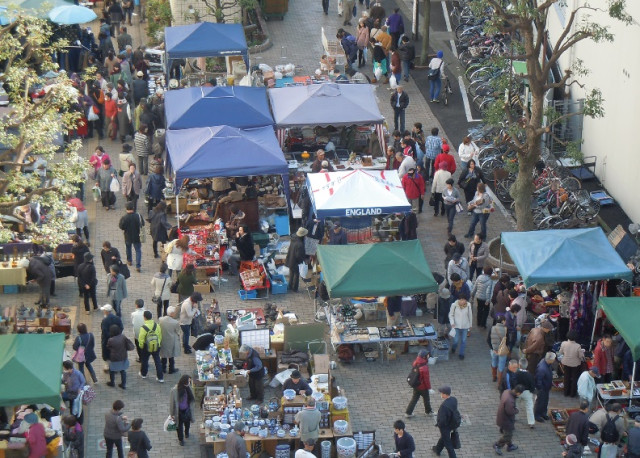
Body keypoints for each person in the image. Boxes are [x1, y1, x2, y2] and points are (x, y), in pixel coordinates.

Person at [494, 384, 523, 455]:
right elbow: (510, 411)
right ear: (518, 393)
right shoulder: (510, 401)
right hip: (506, 420)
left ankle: (510, 445)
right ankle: (497, 445)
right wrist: (516, 410)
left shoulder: (507, 391)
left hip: (502, 417)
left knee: (508, 433)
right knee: (508, 435)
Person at [405, 349, 433, 417]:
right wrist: (429, 388)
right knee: (426, 400)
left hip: (416, 385)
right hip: (423, 387)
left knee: (414, 399)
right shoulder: (424, 367)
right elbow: (426, 380)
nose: (428, 356)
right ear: (424, 357)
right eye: (427, 355)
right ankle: (428, 412)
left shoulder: (416, 362)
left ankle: (408, 413)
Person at [169, 375, 196, 446]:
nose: (189, 383)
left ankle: (186, 432)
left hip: (187, 410)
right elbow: (172, 403)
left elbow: (192, 399)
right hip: (179, 412)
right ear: (184, 382)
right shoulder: (174, 390)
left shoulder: (188, 388)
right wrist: (172, 414)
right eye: (188, 382)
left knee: (187, 423)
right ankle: (181, 439)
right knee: (179, 427)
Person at [138, 310, 164, 382]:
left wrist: (141, 346)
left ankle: (144, 374)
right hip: (156, 345)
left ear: (144, 317)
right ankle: (160, 377)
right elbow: (160, 336)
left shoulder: (143, 327)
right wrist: (158, 343)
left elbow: (141, 338)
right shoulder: (157, 325)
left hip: (146, 347)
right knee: (157, 360)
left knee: (145, 360)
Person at [433, 386, 458, 458]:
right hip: (452, 423)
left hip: (445, 426)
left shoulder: (444, 406)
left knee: (448, 443)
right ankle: (438, 449)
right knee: (444, 437)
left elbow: (442, 420)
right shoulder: (454, 399)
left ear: (445, 394)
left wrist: (439, 424)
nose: (441, 394)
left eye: (441, 393)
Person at [558, 330, 585, 398]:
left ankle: (566, 392)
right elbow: (580, 356)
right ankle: (572, 393)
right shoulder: (578, 346)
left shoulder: (563, 343)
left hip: (566, 362)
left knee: (566, 377)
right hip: (575, 364)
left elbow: (560, 352)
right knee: (574, 378)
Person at [118, 202, 144, 272]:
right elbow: (142, 224)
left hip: (128, 236)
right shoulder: (138, 216)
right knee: (138, 250)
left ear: (126, 209)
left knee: (128, 248)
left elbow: (121, 227)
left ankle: (129, 260)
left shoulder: (124, 217)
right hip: (137, 236)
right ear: (133, 208)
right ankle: (138, 266)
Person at [449, 293, 473, 360]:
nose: (462, 301)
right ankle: (454, 347)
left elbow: (470, 315)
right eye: (461, 300)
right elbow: (451, 315)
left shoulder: (468, 305)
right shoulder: (454, 305)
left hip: (465, 326)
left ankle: (461, 354)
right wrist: (452, 323)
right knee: (456, 340)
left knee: (464, 340)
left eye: (464, 300)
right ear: (458, 300)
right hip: (456, 326)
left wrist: (470, 325)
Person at [106, 324, 131, 389]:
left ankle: (112, 382)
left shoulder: (111, 340)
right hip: (123, 356)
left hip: (115, 358)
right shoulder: (123, 337)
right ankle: (123, 384)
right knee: (123, 371)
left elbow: (108, 347)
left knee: (112, 370)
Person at [534, 352, 556, 422]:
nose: (554, 360)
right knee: (540, 402)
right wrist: (540, 388)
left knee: (545, 401)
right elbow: (538, 379)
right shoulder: (542, 368)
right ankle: (537, 415)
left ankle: (543, 413)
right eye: (553, 359)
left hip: (546, 387)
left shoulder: (547, 364)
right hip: (542, 388)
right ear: (550, 359)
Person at [159, 305, 181, 375]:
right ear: (172, 314)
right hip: (171, 340)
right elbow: (177, 332)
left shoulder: (161, 319)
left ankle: (163, 368)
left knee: (163, 355)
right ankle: (171, 369)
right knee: (171, 356)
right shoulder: (175, 322)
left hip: (163, 339)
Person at [514, 359, 536, 429]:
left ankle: (514, 417)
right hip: (527, 392)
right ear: (527, 366)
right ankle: (531, 422)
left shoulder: (516, 373)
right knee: (529, 407)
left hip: (517, 391)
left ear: (519, 365)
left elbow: (513, 382)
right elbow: (532, 385)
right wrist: (532, 392)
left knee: (516, 405)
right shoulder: (529, 375)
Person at [286, 227, 307, 292]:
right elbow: (299, 255)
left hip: (289, 258)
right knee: (296, 274)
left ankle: (290, 286)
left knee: (291, 273)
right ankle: (295, 288)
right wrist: (301, 261)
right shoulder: (300, 244)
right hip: (294, 261)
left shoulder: (293, 238)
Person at [489, 316, 508, 384]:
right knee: (501, 366)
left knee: (494, 363)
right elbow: (507, 341)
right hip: (502, 351)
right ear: (503, 321)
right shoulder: (505, 329)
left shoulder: (492, 328)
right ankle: (499, 383)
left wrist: (493, 348)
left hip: (494, 350)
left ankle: (494, 377)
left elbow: (488, 339)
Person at [131, 299, 146, 363]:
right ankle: (145, 358)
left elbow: (133, 322)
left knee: (138, 347)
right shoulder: (146, 312)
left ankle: (141, 358)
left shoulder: (133, 314)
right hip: (145, 333)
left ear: (136, 305)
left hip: (137, 334)